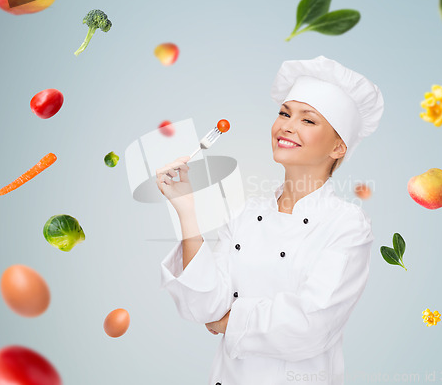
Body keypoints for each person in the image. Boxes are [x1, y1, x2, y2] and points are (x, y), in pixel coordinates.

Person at [156, 55, 384, 385]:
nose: (286, 126)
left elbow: (310, 326)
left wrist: (228, 322)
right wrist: (187, 212)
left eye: (308, 120)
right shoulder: (245, 214)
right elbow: (203, 305)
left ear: (338, 147)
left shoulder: (347, 225)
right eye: (284, 113)